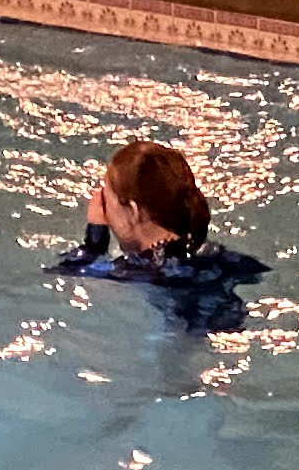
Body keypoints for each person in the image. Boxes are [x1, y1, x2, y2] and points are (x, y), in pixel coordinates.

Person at [54, 139, 268, 331]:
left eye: (106, 201)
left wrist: (96, 235)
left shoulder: (139, 269)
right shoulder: (214, 255)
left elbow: (70, 269)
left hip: (188, 340)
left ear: (134, 211)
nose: (103, 211)